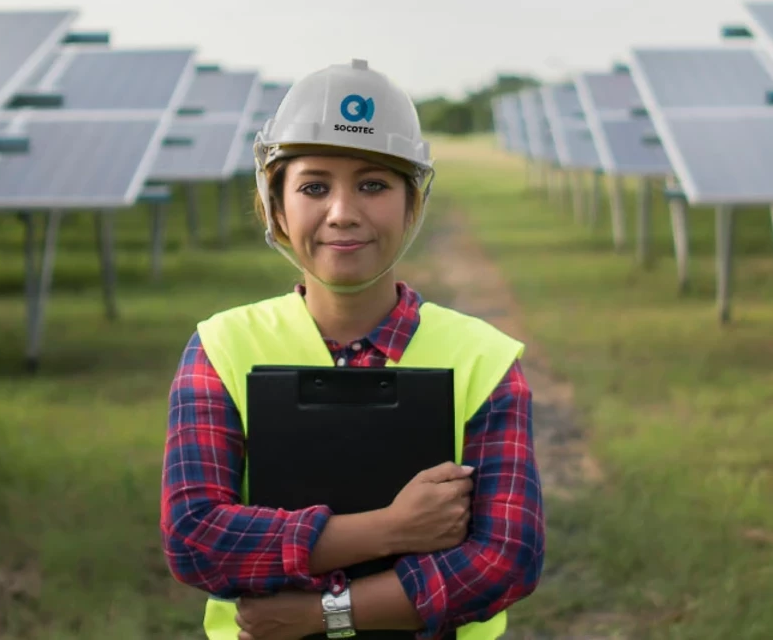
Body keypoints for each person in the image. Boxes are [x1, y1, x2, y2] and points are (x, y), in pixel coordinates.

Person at [158, 59, 545, 640]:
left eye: (373, 185)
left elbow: (503, 561)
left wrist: (323, 615)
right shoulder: (221, 346)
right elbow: (196, 540)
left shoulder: (483, 360)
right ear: (276, 207)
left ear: (412, 203)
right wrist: (390, 529)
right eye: (314, 187)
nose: (343, 213)